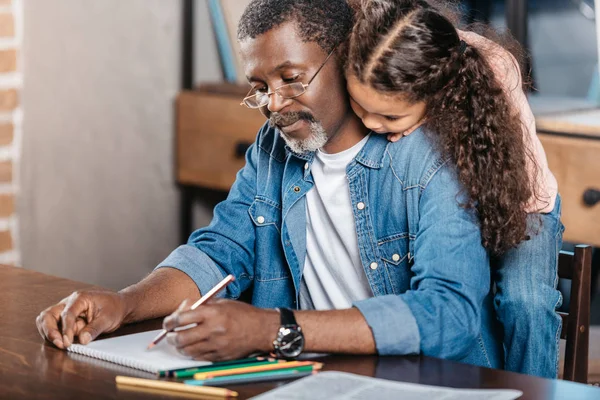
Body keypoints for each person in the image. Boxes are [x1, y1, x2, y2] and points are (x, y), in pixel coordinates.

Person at [37, 0, 503, 368]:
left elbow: (449, 313)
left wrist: (273, 329)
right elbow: (219, 252)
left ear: (345, 59)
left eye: (291, 78)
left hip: (422, 383)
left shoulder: (427, 155)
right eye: (259, 85)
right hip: (312, 377)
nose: (273, 103)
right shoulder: (273, 147)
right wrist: (124, 302)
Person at [344, 0, 563, 378]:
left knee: (524, 302)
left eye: (389, 116)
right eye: (359, 106)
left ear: (437, 94)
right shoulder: (379, 64)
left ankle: (534, 388)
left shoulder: (490, 69)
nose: (369, 123)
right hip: (456, 202)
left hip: (519, 200)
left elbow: (508, 182)